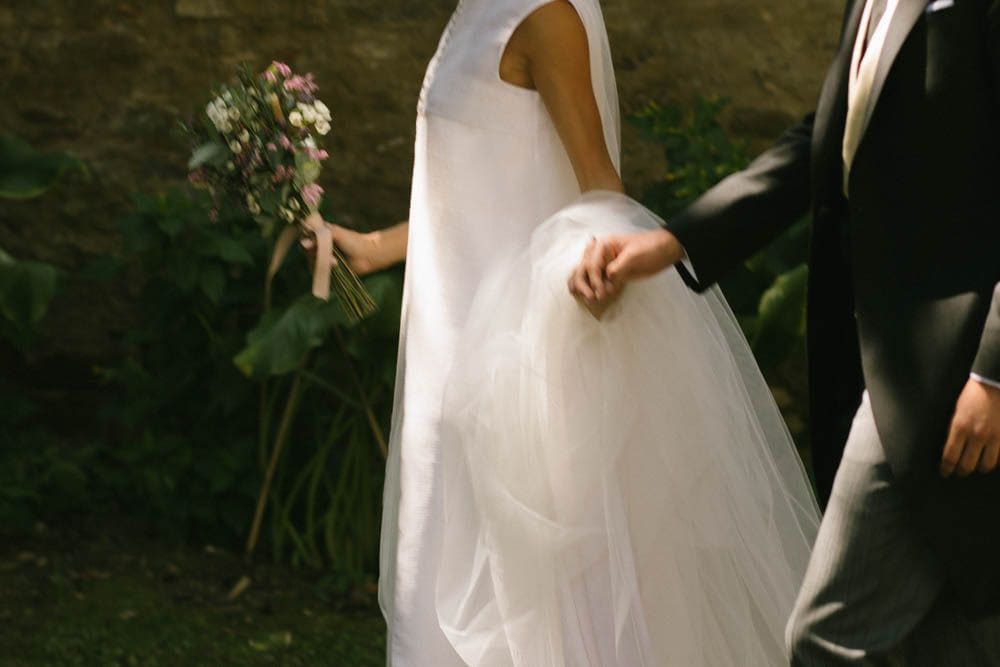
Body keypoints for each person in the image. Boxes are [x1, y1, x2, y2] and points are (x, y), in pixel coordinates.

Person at [315, 1, 821, 664]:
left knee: (508, 615)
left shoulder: (546, 15)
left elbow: (597, 188)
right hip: (445, 353)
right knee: (427, 586)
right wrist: (377, 248)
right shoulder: (475, 10)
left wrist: (598, 282)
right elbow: (482, 186)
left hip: (501, 370)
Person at [572, 0, 1000, 663]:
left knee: (824, 638)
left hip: (948, 378)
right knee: (944, 640)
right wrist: (672, 242)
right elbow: (830, 142)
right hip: (883, 360)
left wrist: (992, 372)